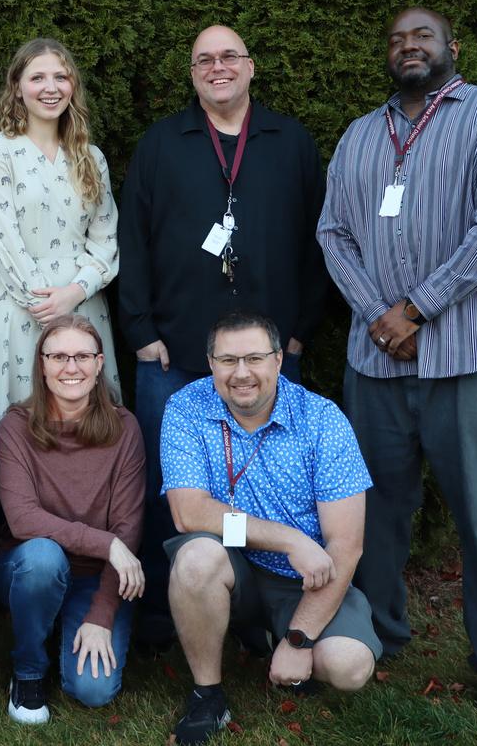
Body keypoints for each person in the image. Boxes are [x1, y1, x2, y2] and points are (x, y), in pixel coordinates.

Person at [317, 6, 477, 713]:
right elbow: (332, 234)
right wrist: (381, 319)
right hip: (377, 364)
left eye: (421, 36)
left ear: (452, 47)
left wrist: (416, 308)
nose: (407, 46)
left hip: (469, 358)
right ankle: (375, 634)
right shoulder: (360, 135)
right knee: (374, 512)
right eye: (396, 39)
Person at [118, 24, 330, 647]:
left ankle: (254, 613)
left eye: (229, 56)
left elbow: (319, 241)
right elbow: (132, 239)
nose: (218, 67)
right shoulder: (162, 143)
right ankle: (165, 611)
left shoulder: (291, 142)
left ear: (250, 66)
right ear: (192, 73)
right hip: (174, 353)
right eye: (204, 59)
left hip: (267, 358)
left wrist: (300, 332)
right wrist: (140, 331)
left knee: (267, 484)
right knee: (168, 489)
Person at [161, 311, 378, 745]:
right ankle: (207, 695)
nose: (241, 373)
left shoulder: (322, 419)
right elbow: (189, 513)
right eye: (228, 360)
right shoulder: (187, 408)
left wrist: (299, 640)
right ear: (211, 363)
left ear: (278, 360)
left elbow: (346, 544)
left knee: (348, 666)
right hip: (232, 565)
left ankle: (279, 639)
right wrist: (288, 538)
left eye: (255, 358)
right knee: (197, 557)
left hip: (305, 578)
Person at [0, 38, 121, 467]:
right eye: (37, 78)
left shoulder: (91, 157)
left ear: (73, 86)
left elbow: (105, 240)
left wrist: (75, 293)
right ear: (17, 87)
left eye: (60, 76)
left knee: (85, 428)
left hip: (83, 303)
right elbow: (2, 240)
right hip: (21, 307)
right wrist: (45, 304)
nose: (50, 87)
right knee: (22, 425)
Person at [0, 314, 144, 723]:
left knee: (94, 690)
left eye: (82, 357)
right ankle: (28, 671)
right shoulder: (15, 427)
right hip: (28, 568)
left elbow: (127, 528)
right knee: (43, 558)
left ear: (99, 364)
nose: (70, 367)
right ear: (41, 365)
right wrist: (107, 543)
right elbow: (23, 520)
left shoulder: (125, 428)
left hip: (96, 575)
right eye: (58, 356)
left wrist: (102, 613)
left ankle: (67, 624)